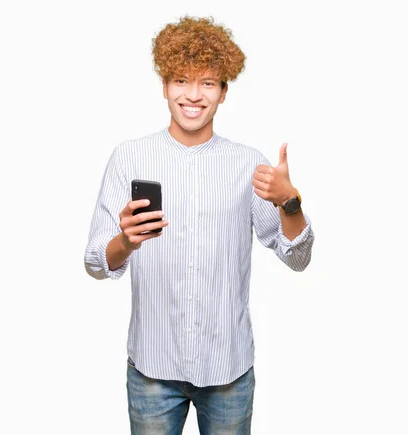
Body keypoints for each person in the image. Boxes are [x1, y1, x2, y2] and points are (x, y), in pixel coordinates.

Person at [84, 15, 314, 434]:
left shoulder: (248, 163)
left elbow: (297, 259)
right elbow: (96, 262)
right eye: (181, 81)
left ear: (224, 91)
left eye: (207, 82)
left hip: (228, 369)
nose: (193, 95)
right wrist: (126, 241)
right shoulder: (129, 157)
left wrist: (289, 202)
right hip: (153, 367)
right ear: (165, 87)